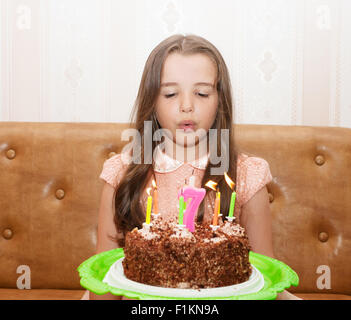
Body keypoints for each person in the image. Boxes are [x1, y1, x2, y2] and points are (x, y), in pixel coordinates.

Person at [83, 34, 300, 300]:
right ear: (152, 100)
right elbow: (104, 285)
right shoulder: (122, 174)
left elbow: (265, 280)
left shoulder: (246, 174)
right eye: (171, 93)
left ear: (220, 100)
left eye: (202, 93)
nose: (187, 106)